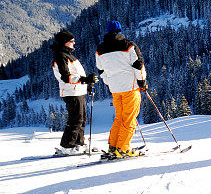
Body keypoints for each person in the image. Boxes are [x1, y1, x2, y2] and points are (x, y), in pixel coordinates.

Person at [96, 20, 147, 158]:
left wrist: (109, 83)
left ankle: (113, 146)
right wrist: (142, 83)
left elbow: (101, 71)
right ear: (120, 30)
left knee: (119, 117)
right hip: (130, 87)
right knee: (129, 118)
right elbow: (138, 65)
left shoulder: (100, 49)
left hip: (115, 89)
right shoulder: (129, 45)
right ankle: (123, 148)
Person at [51, 30, 97, 155]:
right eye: (71, 41)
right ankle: (67, 146)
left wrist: (87, 84)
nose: (74, 43)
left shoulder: (69, 55)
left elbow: (77, 74)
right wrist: (84, 80)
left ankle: (78, 143)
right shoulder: (61, 56)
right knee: (75, 119)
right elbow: (65, 77)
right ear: (64, 43)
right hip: (71, 92)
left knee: (82, 118)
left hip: (78, 91)